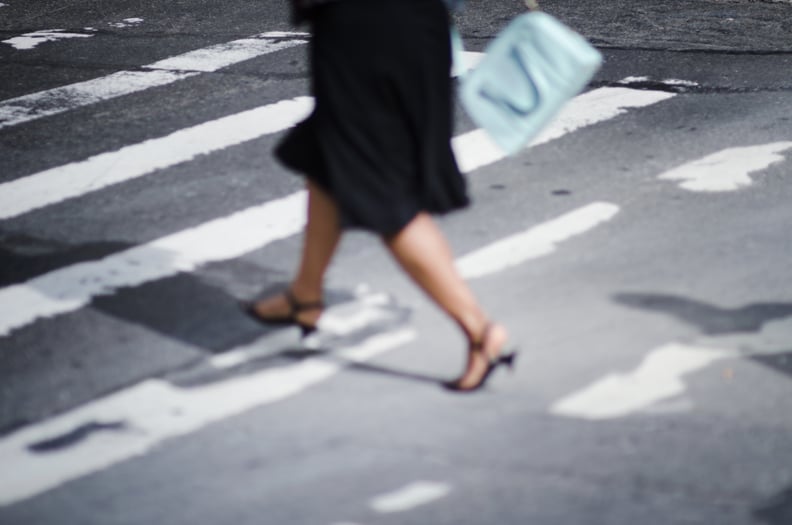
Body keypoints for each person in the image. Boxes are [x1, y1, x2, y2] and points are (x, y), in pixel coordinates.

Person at [244, 0, 516, 391]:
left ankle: (480, 332)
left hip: (371, 29)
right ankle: (305, 295)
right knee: (326, 148)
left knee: (384, 195)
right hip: (406, 25)